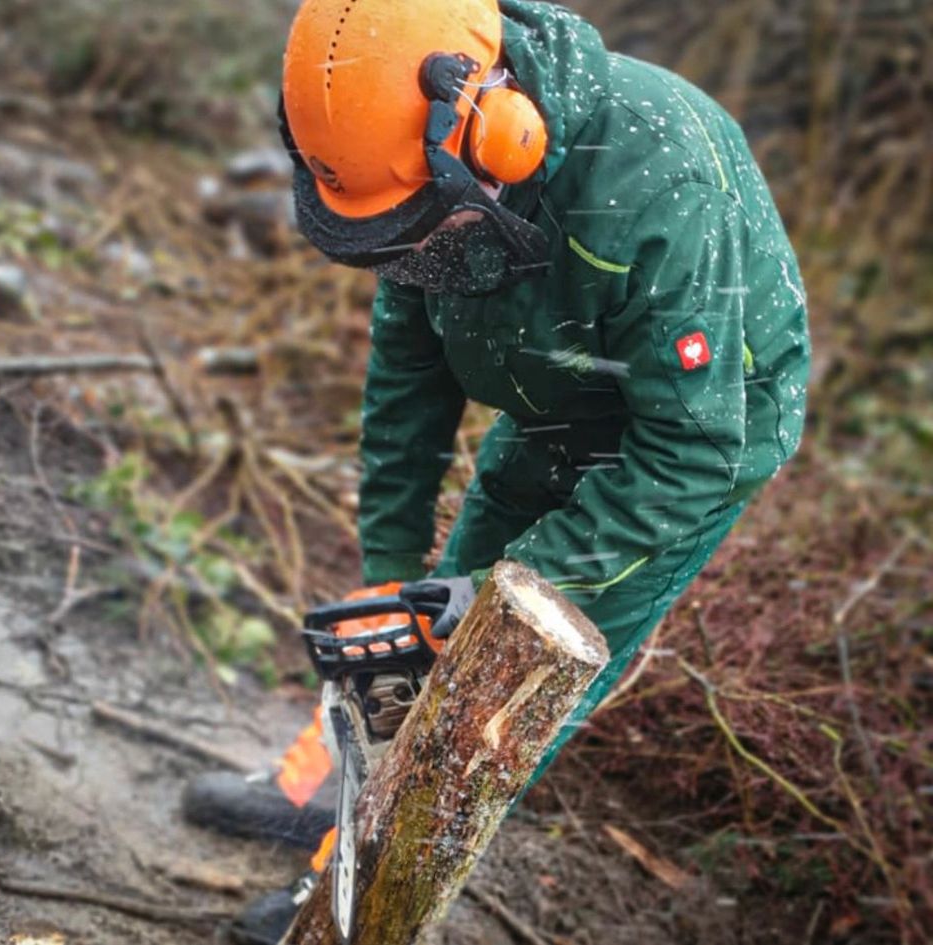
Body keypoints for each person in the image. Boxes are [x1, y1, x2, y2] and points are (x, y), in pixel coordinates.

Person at [183, 0, 811, 940]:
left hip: (690, 437)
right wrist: (392, 580)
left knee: (497, 694)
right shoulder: (415, 171)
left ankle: (357, 898)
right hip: (556, 394)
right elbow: (405, 388)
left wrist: (482, 602)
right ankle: (315, 790)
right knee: (428, 614)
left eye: (419, 235)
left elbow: (694, 447)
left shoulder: (655, 183)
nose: (409, 260)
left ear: (500, 138)